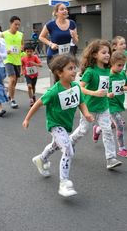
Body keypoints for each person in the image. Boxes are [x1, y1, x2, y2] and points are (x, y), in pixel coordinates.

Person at [22, 55, 93, 197]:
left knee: (56, 146)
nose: (74, 71)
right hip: (55, 125)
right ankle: (64, 183)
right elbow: (38, 103)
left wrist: (86, 114)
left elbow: (81, 102)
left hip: (66, 125)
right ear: (60, 73)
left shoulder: (76, 87)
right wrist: (27, 119)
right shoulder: (54, 91)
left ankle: (41, 159)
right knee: (68, 149)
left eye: (74, 68)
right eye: (70, 68)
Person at [70, 39, 122, 169]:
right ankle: (69, 143)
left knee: (108, 131)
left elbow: (104, 87)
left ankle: (111, 158)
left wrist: (108, 93)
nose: (107, 55)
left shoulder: (108, 70)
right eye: (103, 52)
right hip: (89, 108)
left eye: (108, 52)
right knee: (83, 131)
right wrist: (94, 93)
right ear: (94, 55)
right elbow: (79, 87)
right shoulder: (90, 71)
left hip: (103, 107)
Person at [92, 51, 127, 158]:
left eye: (123, 65)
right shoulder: (108, 76)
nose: (121, 67)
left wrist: (126, 88)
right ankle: (122, 149)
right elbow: (100, 90)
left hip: (119, 103)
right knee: (119, 124)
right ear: (111, 63)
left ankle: (97, 129)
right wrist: (107, 94)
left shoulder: (123, 74)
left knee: (111, 124)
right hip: (110, 105)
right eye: (119, 65)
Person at [2, 16, 24, 108]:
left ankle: (8, 93)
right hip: (8, 59)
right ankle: (12, 99)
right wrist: (4, 51)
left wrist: (22, 48)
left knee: (15, 81)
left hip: (17, 60)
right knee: (12, 79)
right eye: (15, 24)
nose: (17, 26)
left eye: (19, 24)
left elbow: (22, 44)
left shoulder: (20, 34)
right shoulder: (3, 34)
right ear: (10, 24)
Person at [21, 43, 42, 107]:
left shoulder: (35, 57)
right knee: (29, 86)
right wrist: (22, 71)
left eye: (31, 51)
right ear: (25, 51)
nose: (29, 53)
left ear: (33, 51)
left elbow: (41, 65)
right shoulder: (23, 58)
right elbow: (22, 66)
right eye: (27, 51)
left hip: (34, 75)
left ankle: (33, 95)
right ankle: (31, 99)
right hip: (27, 75)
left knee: (33, 87)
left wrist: (34, 63)